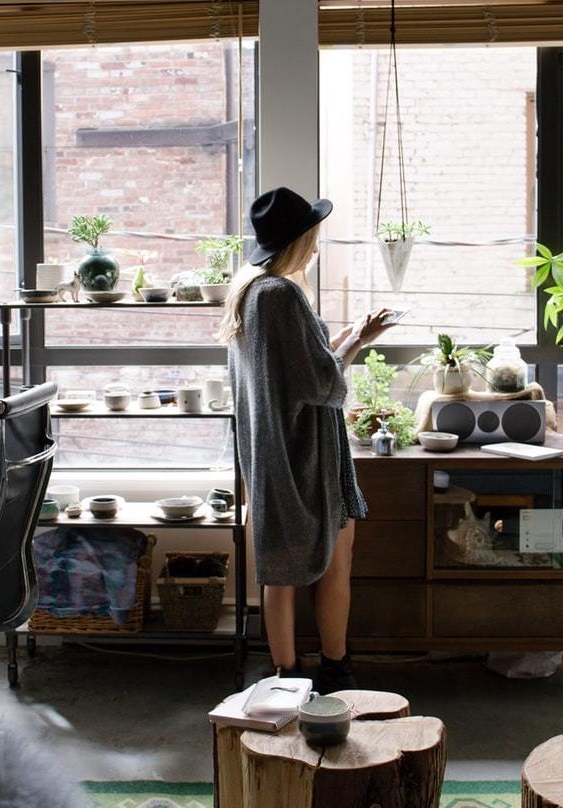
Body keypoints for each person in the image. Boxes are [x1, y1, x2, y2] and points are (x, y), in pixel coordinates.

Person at [218, 186, 395, 693]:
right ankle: (337, 671)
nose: (317, 247)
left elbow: (298, 367)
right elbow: (321, 384)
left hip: (272, 457)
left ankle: (286, 678)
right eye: (313, 237)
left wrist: (350, 337)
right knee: (336, 565)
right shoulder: (283, 294)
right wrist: (357, 346)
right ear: (298, 240)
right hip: (307, 458)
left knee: (278, 570)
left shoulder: (250, 293)